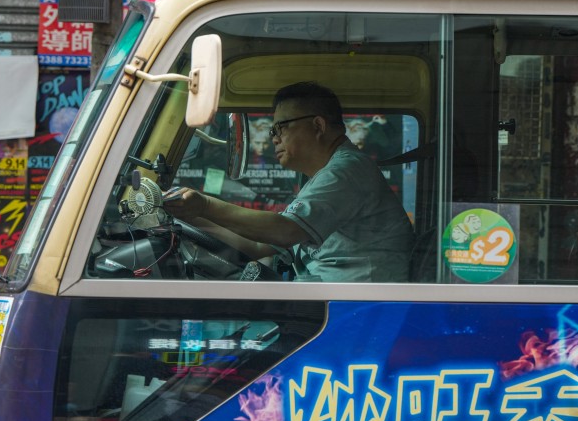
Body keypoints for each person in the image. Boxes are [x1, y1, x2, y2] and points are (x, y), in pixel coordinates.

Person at [165, 82, 416, 282]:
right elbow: (260, 244)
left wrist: (206, 205)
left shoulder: (346, 171)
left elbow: (283, 231)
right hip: (338, 304)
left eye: (280, 128)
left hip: (354, 310)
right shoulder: (324, 177)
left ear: (317, 125)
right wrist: (189, 216)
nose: (273, 138)